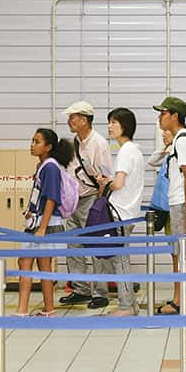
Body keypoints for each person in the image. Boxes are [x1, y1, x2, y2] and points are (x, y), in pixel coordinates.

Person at [58, 101, 114, 310]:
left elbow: (106, 175)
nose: (69, 121)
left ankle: (100, 292)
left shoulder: (98, 144)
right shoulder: (74, 142)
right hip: (73, 200)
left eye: (73, 117)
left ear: (84, 120)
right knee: (73, 245)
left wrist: (99, 204)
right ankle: (80, 289)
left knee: (96, 245)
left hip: (92, 198)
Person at [154, 96, 186, 314]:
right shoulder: (180, 140)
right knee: (182, 254)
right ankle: (182, 299)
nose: (159, 117)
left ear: (175, 116)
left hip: (184, 204)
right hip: (181, 204)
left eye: (163, 113)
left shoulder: (182, 141)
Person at [19, 128, 73, 316]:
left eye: (37, 142)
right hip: (39, 220)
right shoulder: (44, 165)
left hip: (45, 224)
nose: (32, 145)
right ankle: (49, 308)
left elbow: (52, 198)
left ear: (48, 147)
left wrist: (42, 228)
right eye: (32, 141)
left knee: (25, 262)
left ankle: (22, 309)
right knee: (43, 266)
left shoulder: (50, 167)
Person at [97, 107, 144, 316]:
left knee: (120, 260)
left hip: (120, 212)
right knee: (121, 257)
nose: (109, 126)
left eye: (114, 122)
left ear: (125, 125)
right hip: (129, 210)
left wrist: (106, 182)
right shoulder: (135, 150)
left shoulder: (125, 151)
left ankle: (126, 306)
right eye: (109, 122)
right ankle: (129, 303)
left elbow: (119, 183)